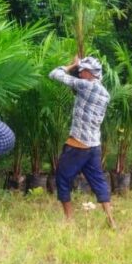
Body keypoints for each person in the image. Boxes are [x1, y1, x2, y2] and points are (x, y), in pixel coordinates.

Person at [49, 55, 116, 229]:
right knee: (98, 181)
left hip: (78, 144)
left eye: (81, 71)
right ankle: (111, 220)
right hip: (94, 145)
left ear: (88, 73)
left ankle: (69, 220)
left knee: (63, 178)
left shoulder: (85, 86)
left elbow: (54, 74)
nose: (79, 74)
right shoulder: (104, 93)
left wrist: (72, 65)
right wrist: (80, 68)